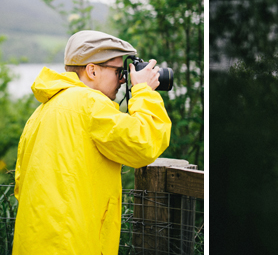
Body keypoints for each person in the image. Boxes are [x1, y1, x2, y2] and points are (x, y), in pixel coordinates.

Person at [13, 30, 172, 255]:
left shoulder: (42, 111)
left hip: (35, 242)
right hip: (71, 245)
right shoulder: (89, 104)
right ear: (92, 70)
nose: (123, 79)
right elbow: (144, 144)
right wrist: (143, 91)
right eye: (118, 71)